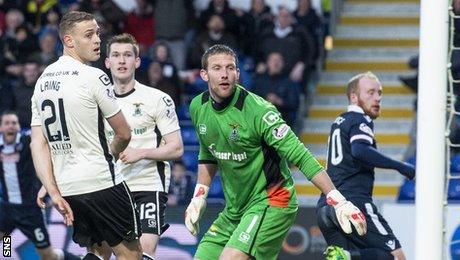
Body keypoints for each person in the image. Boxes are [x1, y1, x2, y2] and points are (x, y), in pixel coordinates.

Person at [184, 44, 367, 260]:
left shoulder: (259, 111)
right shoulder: (198, 106)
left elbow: (300, 155)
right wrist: (199, 196)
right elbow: (208, 150)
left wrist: (337, 199)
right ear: (204, 74)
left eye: (230, 68)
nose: (224, 74)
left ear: (238, 72)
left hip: (272, 201)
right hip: (235, 209)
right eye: (217, 68)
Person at [30, 11, 141, 259]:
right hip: (101, 181)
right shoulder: (94, 76)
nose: (97, 40)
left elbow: (38, 143)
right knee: (131, 255)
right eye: (89, 35)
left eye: (98, 34)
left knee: (99, 252)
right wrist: (110, 154)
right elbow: (124, 133)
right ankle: (5, 251)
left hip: (68, 187)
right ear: (69, 41)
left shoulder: (42, 80)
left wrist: (52, 189)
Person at [317, 72, 415, 260]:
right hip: (353, 203)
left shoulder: (339, 121)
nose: (378, 98)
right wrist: (400, 166)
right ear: (354, 97)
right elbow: (360, 150)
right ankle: (349, 257)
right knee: (396, 257)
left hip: (326, 206)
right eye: (370, 92)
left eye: (380, 93)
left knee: (342, 255)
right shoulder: (360, 119)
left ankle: (345, 256)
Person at [104, 33, 183, 260]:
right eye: (116, 55)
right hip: (110, 187)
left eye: (128, 55)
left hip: (147, 184)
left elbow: (177, 148)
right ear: (107, 62)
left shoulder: (157, 99)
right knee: (98, 254)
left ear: (137, 61)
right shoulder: (97, 102)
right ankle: (6, 253)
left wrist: (141, 153)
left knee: (144, 255)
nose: (122, 61)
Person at [0, 111, 66, 260]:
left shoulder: (27, 142)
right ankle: (7, 256)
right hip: (7, 208)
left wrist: (49, 191)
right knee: (5, 240)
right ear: (1, 128)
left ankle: (67, 257)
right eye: (7, 123)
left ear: (18, 127)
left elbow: (44, 157)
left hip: (29, 210)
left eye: (14, 123)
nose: (11, 126)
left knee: (48, 256)